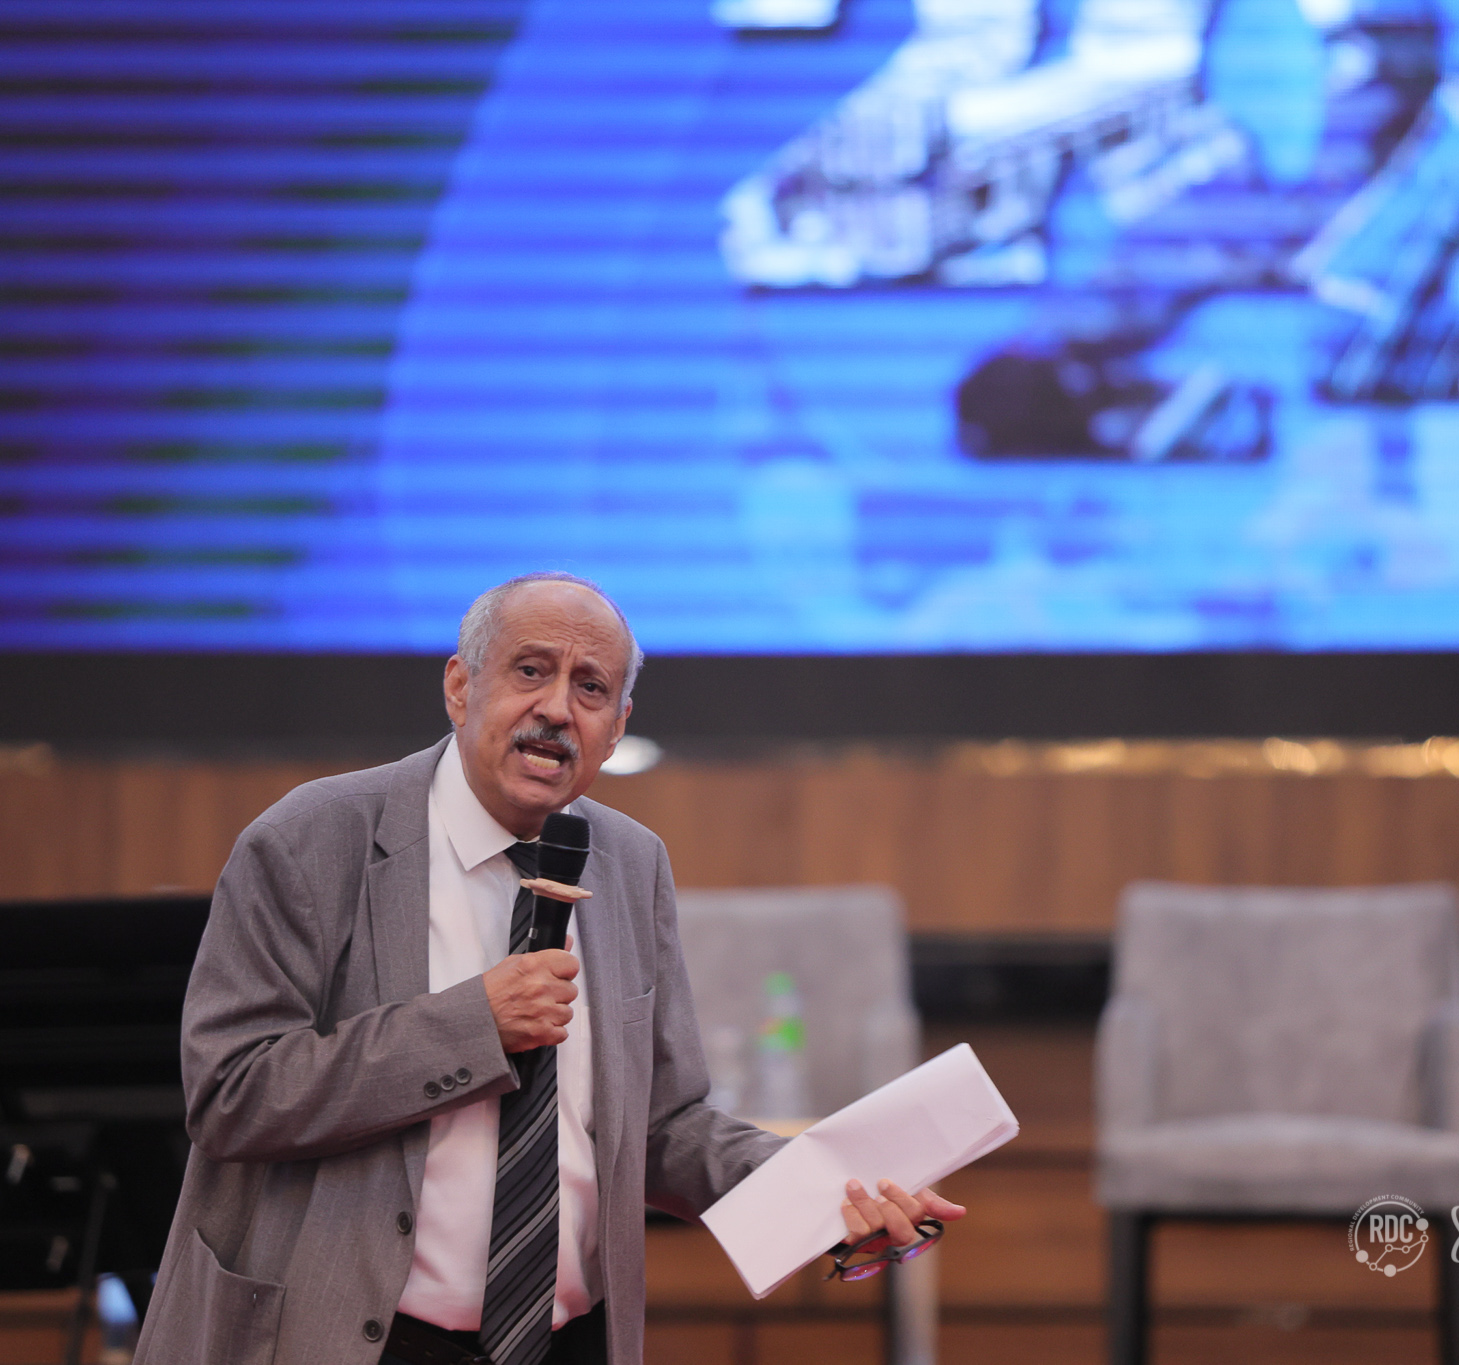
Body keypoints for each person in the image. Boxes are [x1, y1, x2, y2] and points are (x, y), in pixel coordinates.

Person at [133, 572, 964, 1365]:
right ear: (460, 686)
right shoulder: (311, 838)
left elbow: (659, 1126)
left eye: (591, 688)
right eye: (531, 670)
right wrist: (474, 1026)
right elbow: (231, 1093)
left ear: (618, 723)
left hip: (567, 1343)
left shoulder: (631, 862)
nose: (557, 709)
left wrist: (818, 1185)